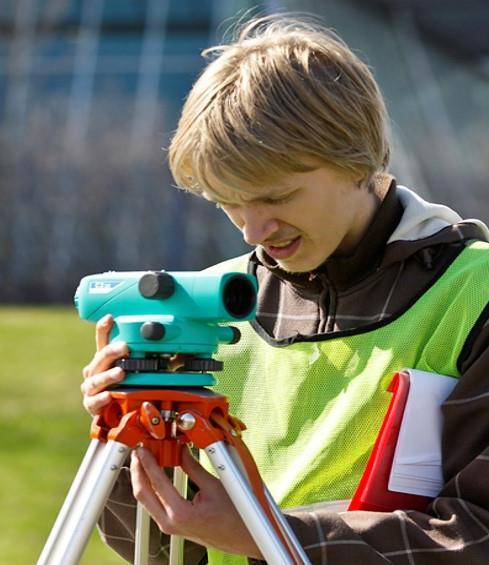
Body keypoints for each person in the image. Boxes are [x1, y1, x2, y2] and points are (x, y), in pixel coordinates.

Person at [81, 13, 489, 564]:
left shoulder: (472, 293)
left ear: (356, 157)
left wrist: (265, 533)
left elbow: (477, 535)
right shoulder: (214, 307)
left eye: (275, 198)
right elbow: (162, 551)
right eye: (228, 201)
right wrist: (131, 435)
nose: (253, 231)